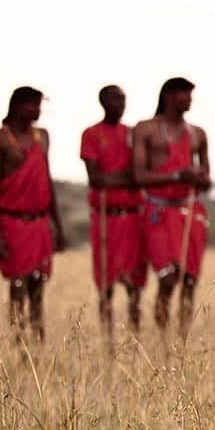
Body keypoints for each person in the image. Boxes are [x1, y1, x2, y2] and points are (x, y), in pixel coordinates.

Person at [0, 86, 65, 342]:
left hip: (39, 221)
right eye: (33, 105)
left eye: (39, 105)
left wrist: (58, 225)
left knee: (39, 285)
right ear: (19, 106)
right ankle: (18, 343)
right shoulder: (0, 139)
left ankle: (38, 343)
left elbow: (47, 180)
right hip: (13, 222)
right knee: (18, 285)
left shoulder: (42, 136)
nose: (37, 110)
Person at [133, 77, 210, 338]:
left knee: (189, 280)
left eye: (190, 95)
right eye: (183, 95)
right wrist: (178, 175)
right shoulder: (146, 130)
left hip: (190, 210)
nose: (188, 100)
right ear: (167, 96)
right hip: (159, 211)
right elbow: (140, 176)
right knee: (167, 278)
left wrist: (199, 177)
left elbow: (206, 179)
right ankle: (164, 337)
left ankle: (183, 339)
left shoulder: (197, 134)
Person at [80, 85, 147, 345]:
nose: (120, 104)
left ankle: (134, 339)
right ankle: (108, 340)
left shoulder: (133, 134)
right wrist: (127, 177)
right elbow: (96, 178)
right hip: (106, 216)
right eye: (115, 99)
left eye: (123, 99)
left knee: (135, 284)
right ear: (103, 102)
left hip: (133, 216)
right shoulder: (92, 134)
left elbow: (140, 172)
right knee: (106, 284)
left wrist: (119, 178)